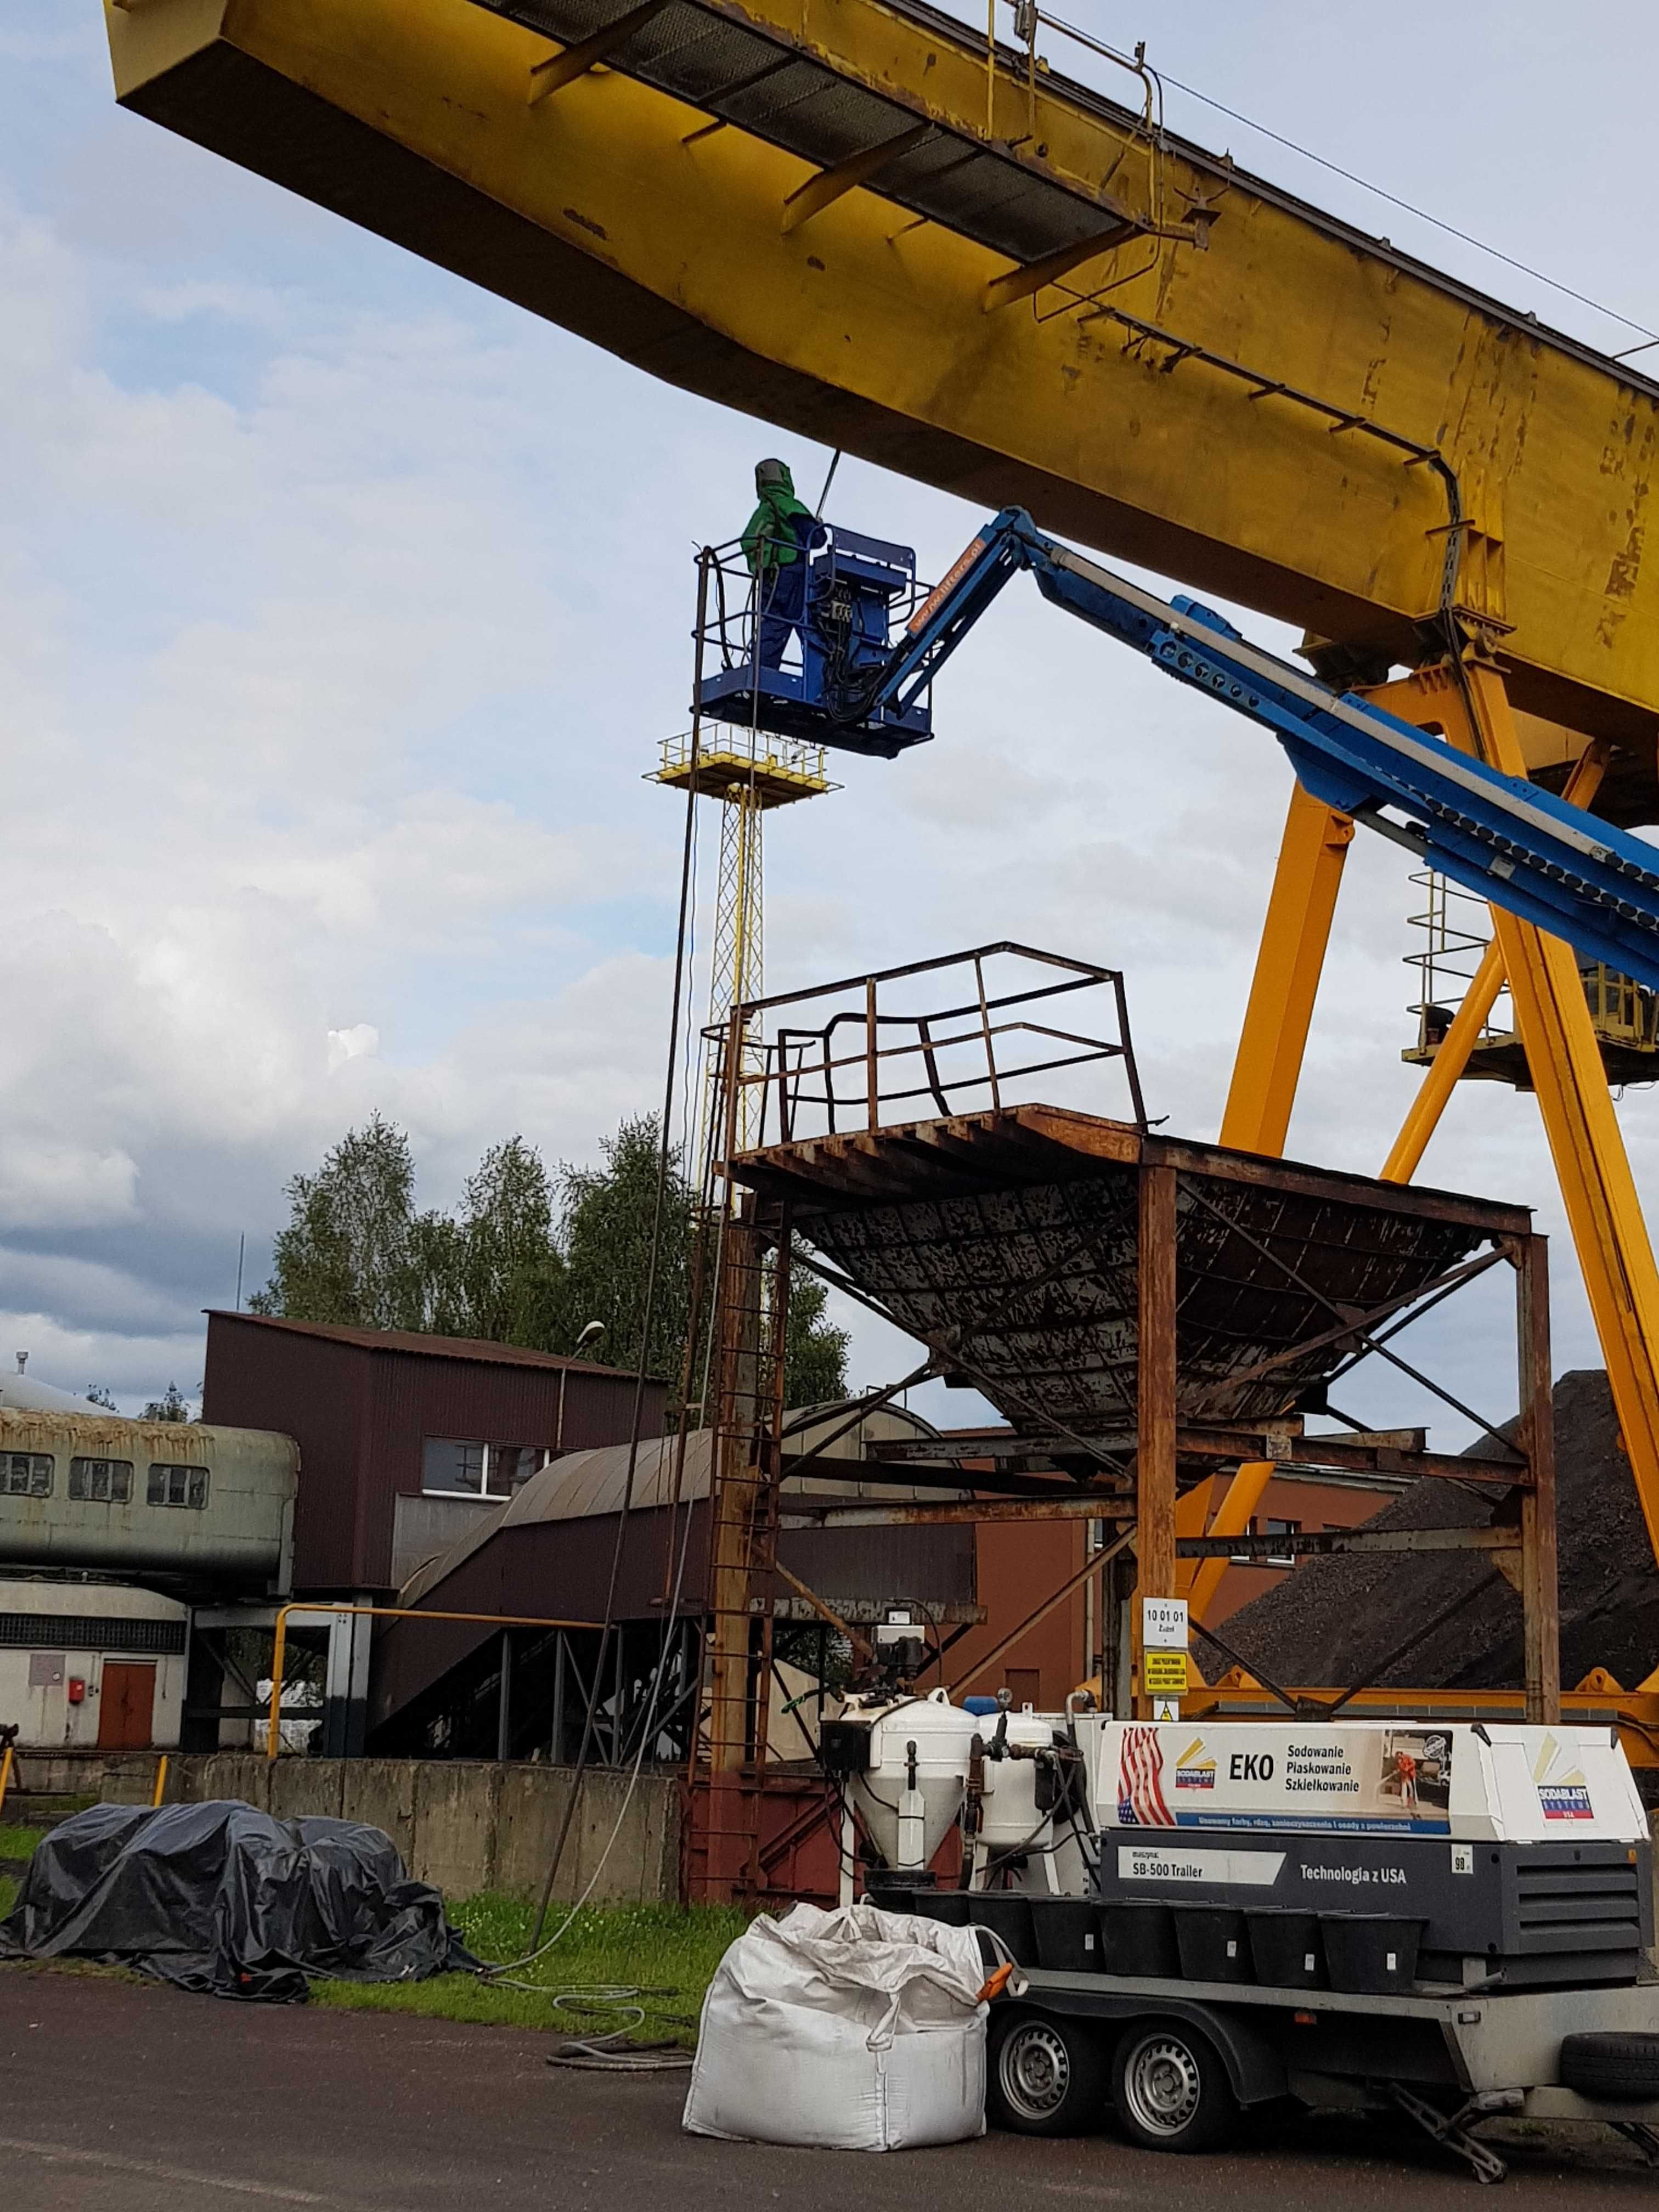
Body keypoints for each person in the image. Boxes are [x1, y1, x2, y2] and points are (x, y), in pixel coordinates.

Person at [741, 458, 815, 669]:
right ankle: (827, 676)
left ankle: (761, 673)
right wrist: (816, 525)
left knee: (772, 627)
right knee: (810, 624)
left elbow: (747, 542)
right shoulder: (786, 504)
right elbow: (817, 538)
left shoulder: (762, 511)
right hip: (792, 574)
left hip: (768, 579)